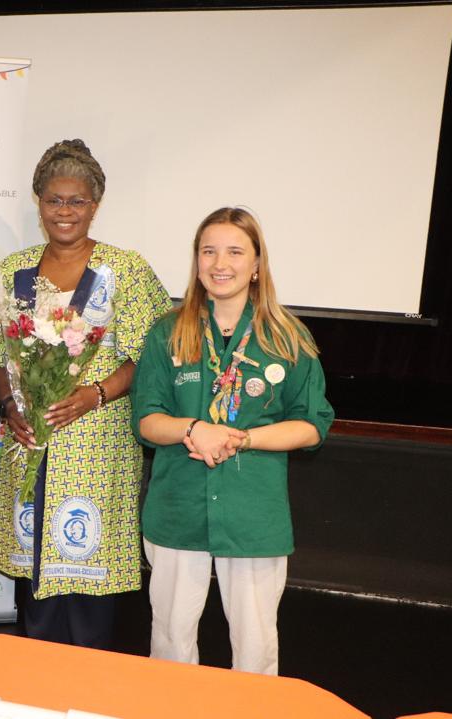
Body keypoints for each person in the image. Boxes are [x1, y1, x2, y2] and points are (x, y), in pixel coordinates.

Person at [131, 207, 335, 675]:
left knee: (255, 647)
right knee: (170, 640)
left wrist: (244, 438)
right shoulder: (168, 332)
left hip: (252, 516)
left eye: (235, 252)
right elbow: (146, 420)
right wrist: (192, 429)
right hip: (178, 510)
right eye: (209, 251)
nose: (220, 263)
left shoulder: (287, 337)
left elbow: (312, 425)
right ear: (196, 260)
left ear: (257, 263)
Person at [0, 139, 170, 649]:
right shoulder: (13, 271)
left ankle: (88, 680)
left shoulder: (124, 269)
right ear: (38, 202)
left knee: (89, 581)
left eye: (76, 201)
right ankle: (37, 681)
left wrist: (97, 394)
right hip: (31, 442)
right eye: (53, 200)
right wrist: (8, 406)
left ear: (95, 205)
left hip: (97, 444)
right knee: (36, 583)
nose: (64, 211)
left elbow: (148, 356)